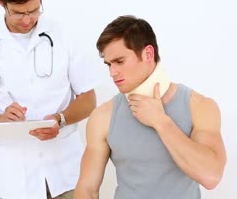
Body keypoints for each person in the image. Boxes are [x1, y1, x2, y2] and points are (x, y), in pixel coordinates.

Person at [0, 0, 99, 199]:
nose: (28, 20)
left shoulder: (63, 35)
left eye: (34, 10)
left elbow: (88, 98)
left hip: (67, 173)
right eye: (18, 12)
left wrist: (61, 119)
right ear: (1, 3)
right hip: (17, 179)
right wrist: (1, 119)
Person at [74, 15, 227, 198]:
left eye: (120, 62)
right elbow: (87, 189)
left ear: (148, 54)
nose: (112, 72)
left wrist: (161, 122)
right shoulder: (103, 116)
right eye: (109, 64)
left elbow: (211, 176)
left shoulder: (199, 106)